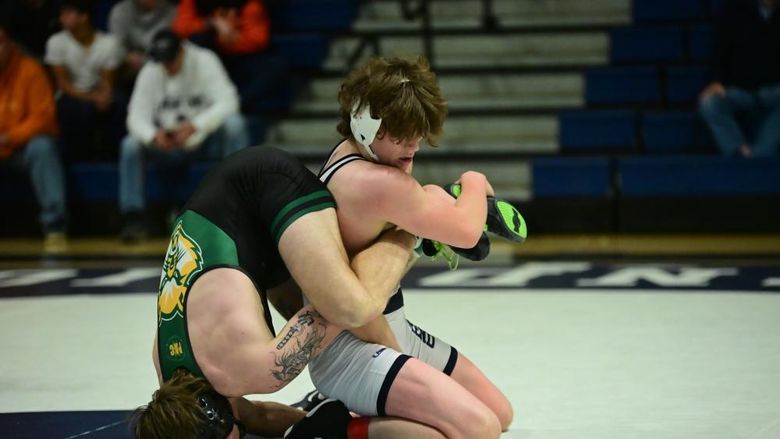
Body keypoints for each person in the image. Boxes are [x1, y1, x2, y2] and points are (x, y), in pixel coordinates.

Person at [286, 56, 524, 439]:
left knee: (500, 413)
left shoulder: (349, 153)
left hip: (389, 327)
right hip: (350, 352)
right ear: (366, 126)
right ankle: (331, 428)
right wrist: (474, 180)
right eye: (399, 134)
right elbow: (466, 232)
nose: (412, 144)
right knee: (479, 430)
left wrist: (427, 219)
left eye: (418, 131)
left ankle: (345, 406)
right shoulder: (374, 183)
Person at [131, 145, 417, 438]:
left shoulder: (259, 368)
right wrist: (314, 425)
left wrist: (392, 366)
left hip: (262, 182)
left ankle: (415, 229)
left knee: (352, 307)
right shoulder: (175, 382)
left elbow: (333, 312)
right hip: (238, 226)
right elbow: (255, 415)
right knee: (307, 314)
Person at [118, 29, 248, 242]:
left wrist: (196, 125)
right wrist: (153, 136)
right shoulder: (152, 69)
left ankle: (239, 207)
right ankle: (133, 217)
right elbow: (134, 116)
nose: (167, 66)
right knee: (130, 144)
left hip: (204, 139)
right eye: (163, 61)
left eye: (171, 60)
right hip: (166, 144)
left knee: (235, 125)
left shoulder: (205, 60)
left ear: (182, 52)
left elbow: (230, 102)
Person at [0, 16, 67, 246]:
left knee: (43, 147)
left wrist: (9, 137)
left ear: (9, 43)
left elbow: (43, 118)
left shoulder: (30, 70)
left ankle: (54, 223)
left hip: (20, 148)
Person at [172, 0, 288, 114]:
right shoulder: (193, 2)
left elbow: (258, 40)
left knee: (275, 66)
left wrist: (231, 40)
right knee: (196, 43)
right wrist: (210, 23)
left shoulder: (249, 4)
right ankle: (202, 105)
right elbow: (180, 29)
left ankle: (234, 106)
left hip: (242, 58)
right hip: (213, 58)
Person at [45, 0, 127, 161]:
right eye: (61, 14)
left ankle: (113, 156)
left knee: (119, 103)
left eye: (67, 13)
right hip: (71, 94)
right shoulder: (56, 42)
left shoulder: (109, 43)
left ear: (83, 17)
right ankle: (79, 159)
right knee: (79, 111)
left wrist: (103, 96)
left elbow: (108, 81)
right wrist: (91, 98)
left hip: (97, 91)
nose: (62, 18)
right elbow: (63, 83)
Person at [698, 0, 780, 157]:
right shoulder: (736, 9)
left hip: (774, 92)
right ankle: (738, 151)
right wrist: (715, 81)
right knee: (709, 103)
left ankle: (759, 155)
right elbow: (719, 49)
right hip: (741, 91)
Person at [108, 0, 176, 87]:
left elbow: (171, 50)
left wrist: (145, 60)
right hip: (127, 71)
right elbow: (114, 45)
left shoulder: (173, 12)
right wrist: (126, 56)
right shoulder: (120, 11)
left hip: (161, 72)